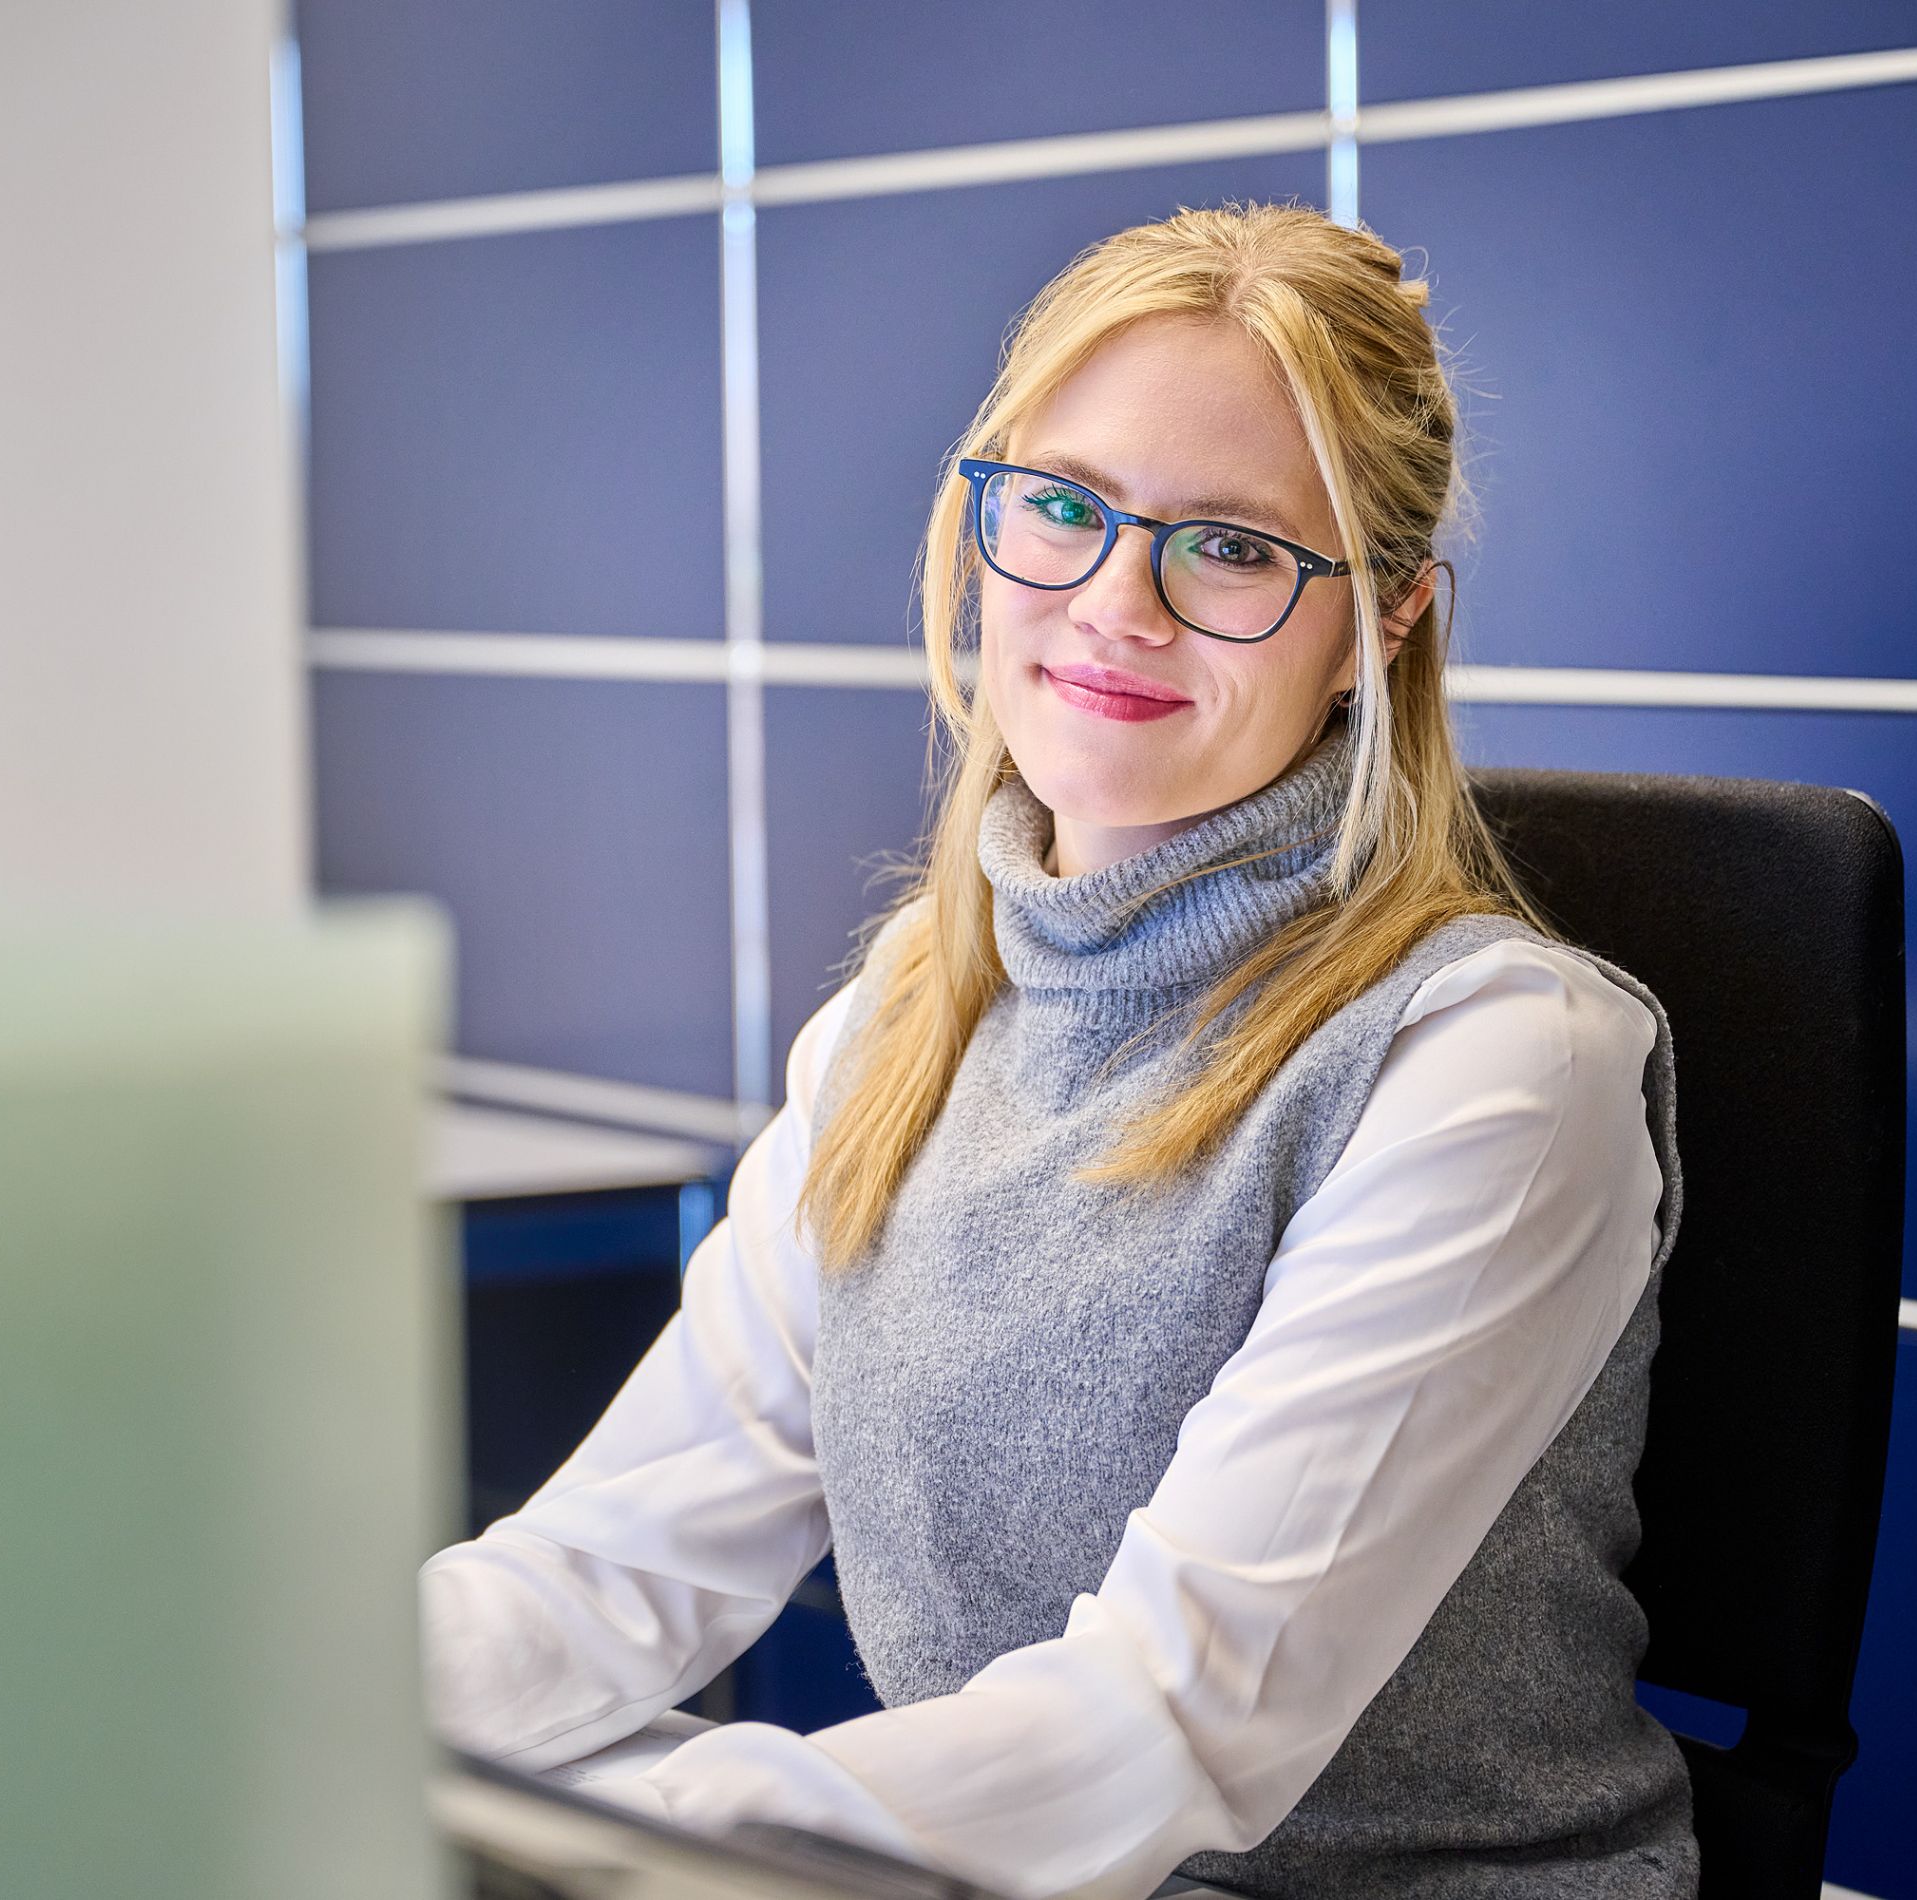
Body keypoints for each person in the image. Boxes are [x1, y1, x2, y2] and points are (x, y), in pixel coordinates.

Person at [422, 202, 1696, 1900]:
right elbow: (613, 1570)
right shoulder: (914, 1002)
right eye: (1063, 507)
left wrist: (613, 1845)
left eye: (1230, 549)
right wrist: (247, 1723)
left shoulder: (1494, 1062)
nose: (1114, 605)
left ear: (1379, 621)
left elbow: (1166, 1723)